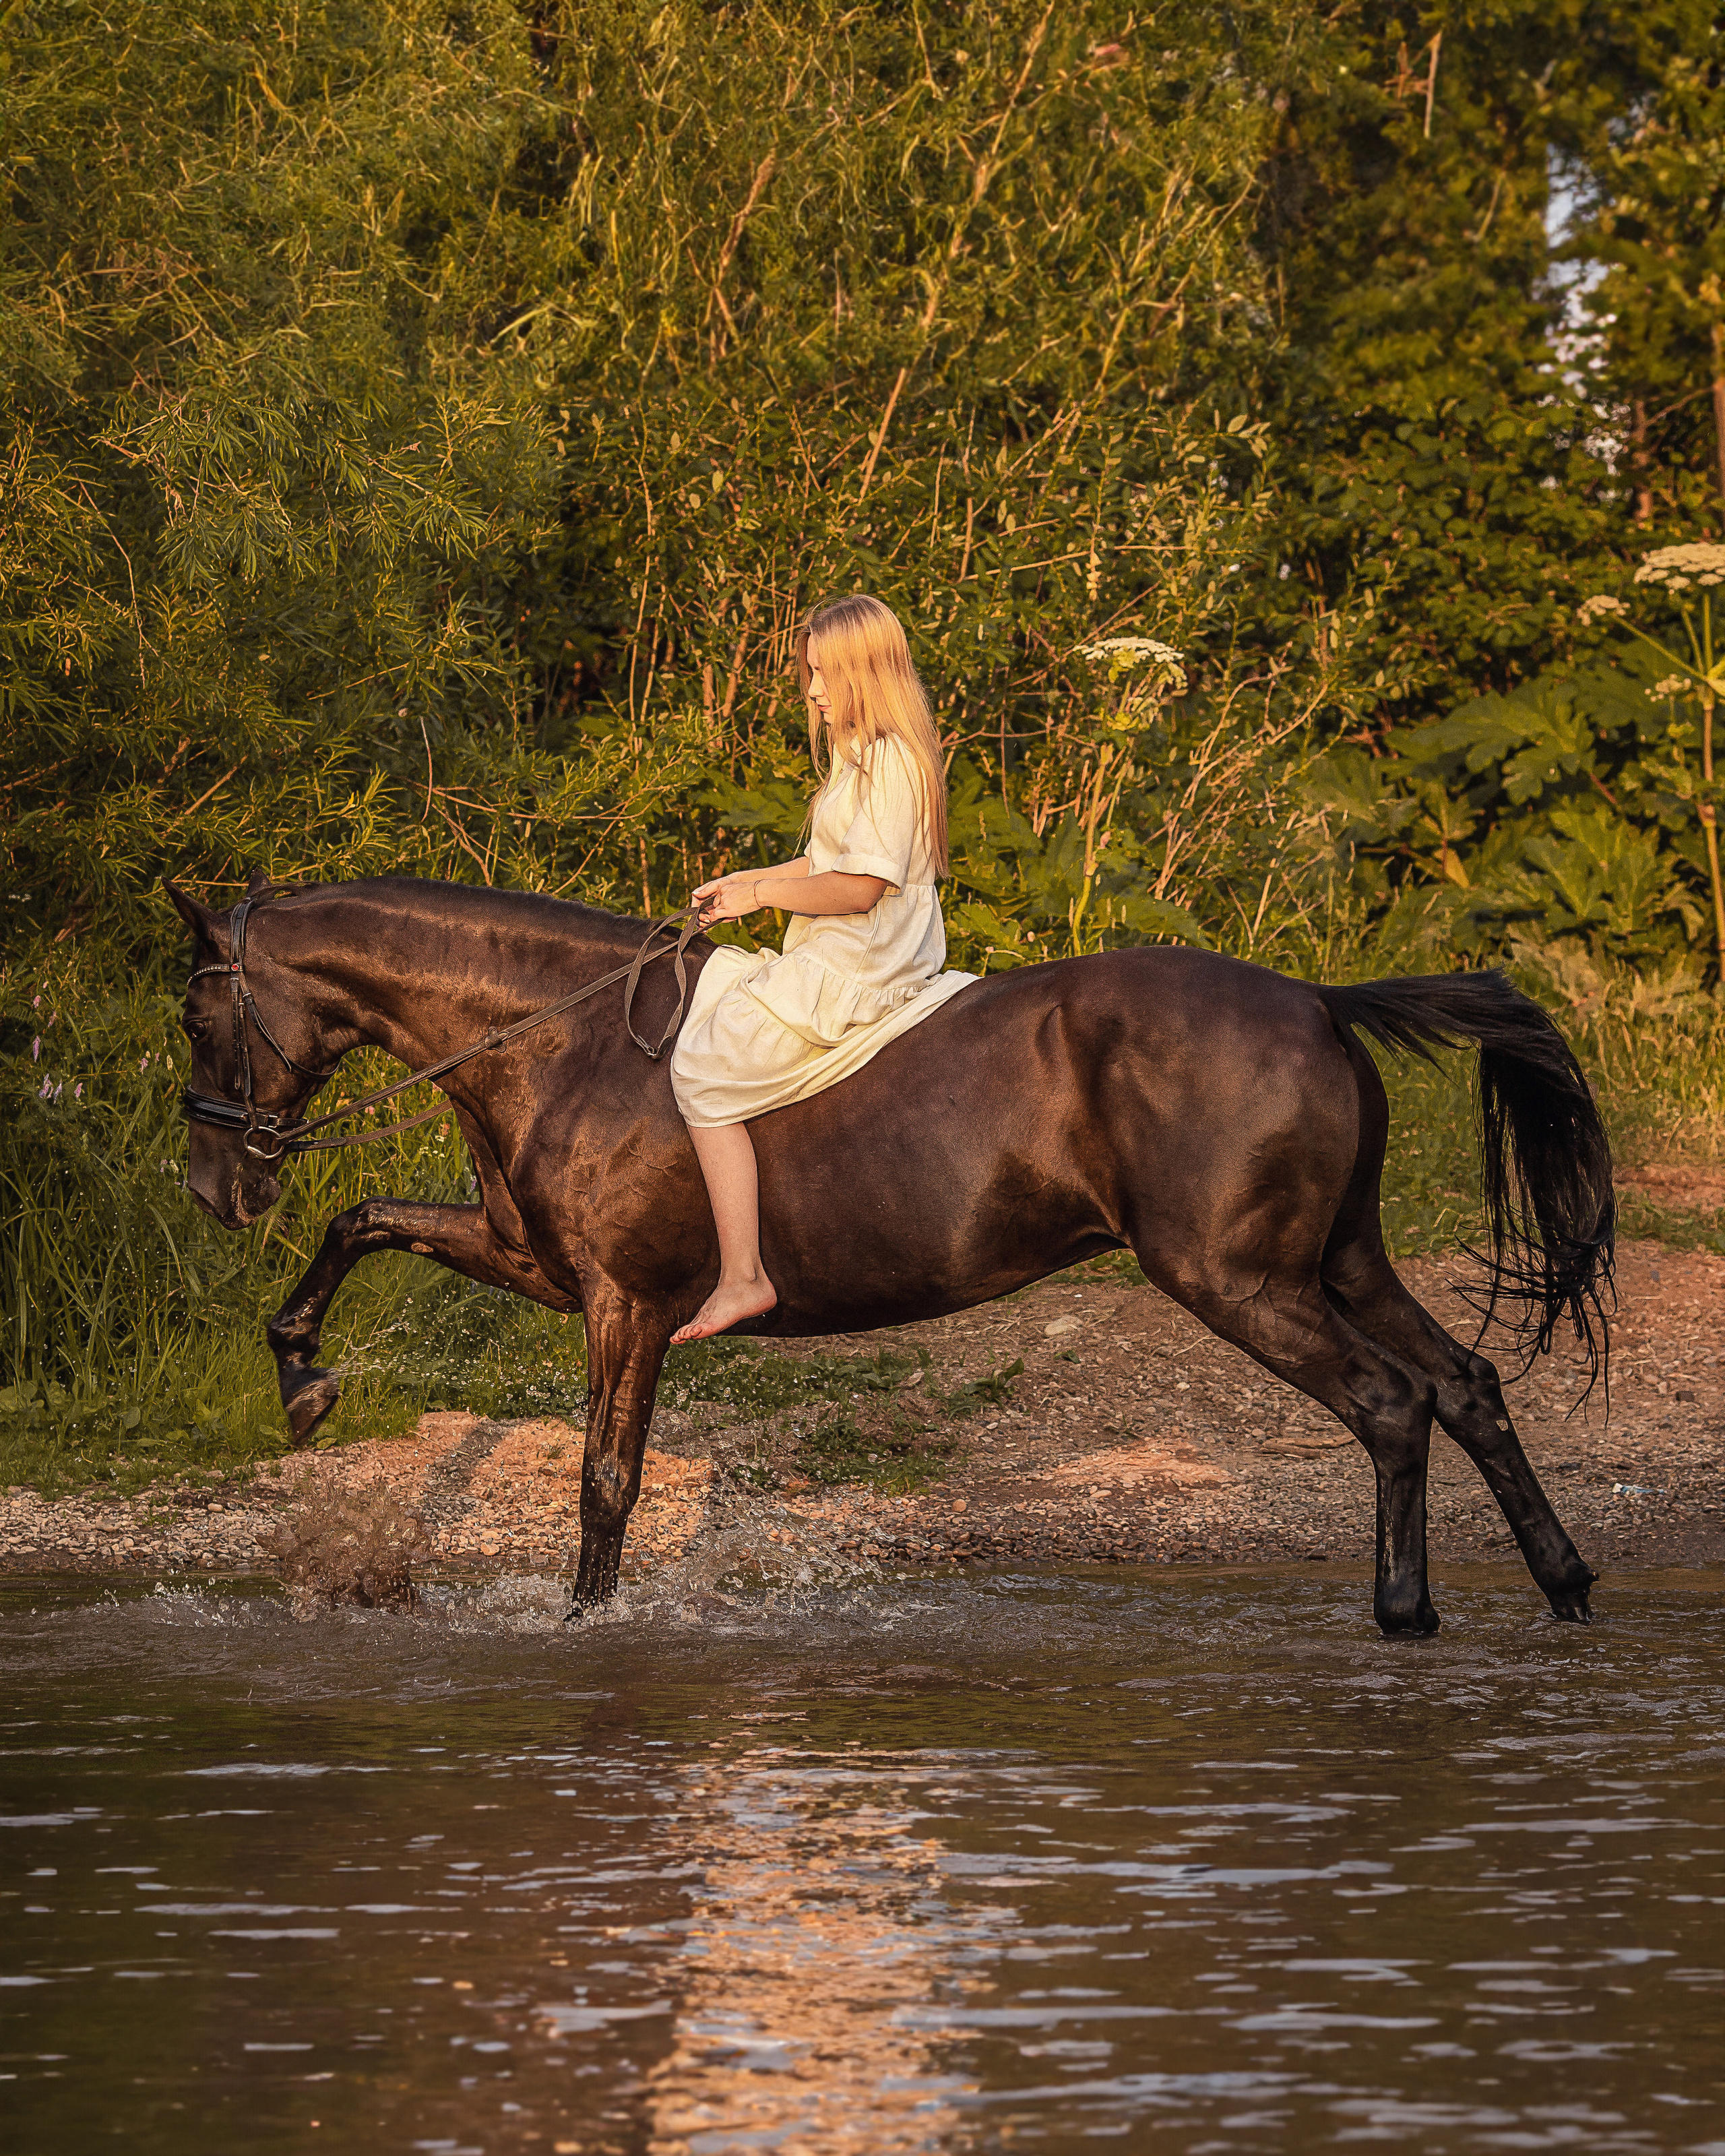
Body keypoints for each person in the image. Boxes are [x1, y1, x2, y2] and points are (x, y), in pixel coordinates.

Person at [668, 593, 974, 1343]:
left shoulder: (892, 761)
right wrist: (745, 884)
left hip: (866, 966)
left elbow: (860, 887)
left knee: (700, 1072)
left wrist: (762, 897)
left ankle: (745, 1276)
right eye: (810, 672)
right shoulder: (858, 751)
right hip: (836, 948)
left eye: (825, 674)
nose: (811, 690)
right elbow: (822, 861)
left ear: (866, 672)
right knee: (714, 990)